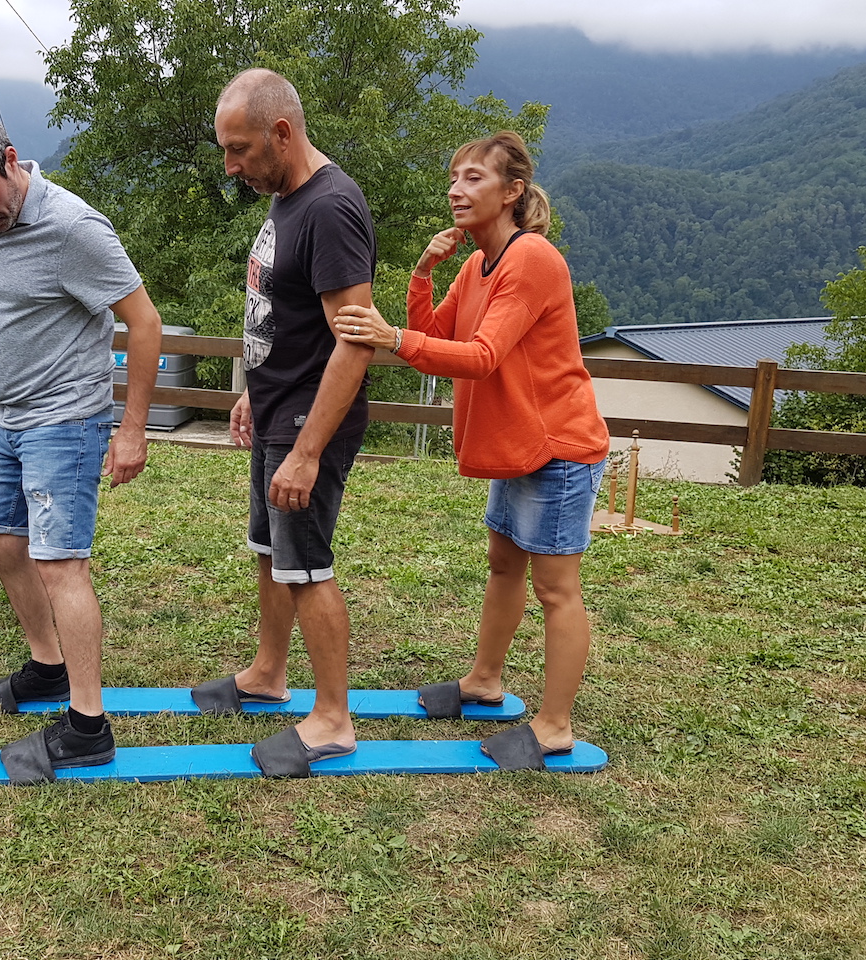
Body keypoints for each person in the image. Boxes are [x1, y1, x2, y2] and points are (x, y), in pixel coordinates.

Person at [334, 131, 610, 771]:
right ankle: (485, 682)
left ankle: (554, 727)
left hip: (557, 445)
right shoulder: (476, 263)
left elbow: (481, 358)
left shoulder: (532, 259)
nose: (457, 189)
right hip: (514, 444)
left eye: (474, 178)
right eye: (454, 177)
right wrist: (423, 272)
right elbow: (435, 336)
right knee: (503, 563)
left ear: (513, 192)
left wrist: (392, 335)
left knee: (556, 587)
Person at [0, 103, 162, 780]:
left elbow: (144, 323)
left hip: (67, 420)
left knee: (61, 565)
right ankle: (48, 670)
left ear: (9, 158)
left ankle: (87, 726)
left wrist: (132, 428)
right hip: (8, 415)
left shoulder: (72, 227)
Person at [191, 69, 377, 777]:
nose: (231, 167)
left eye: (239, 150)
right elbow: (281, 310)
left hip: (310, 419)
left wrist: (305, 449)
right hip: (278, 403)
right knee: (270, 550)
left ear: (281, 133)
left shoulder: (331, 207)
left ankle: (332, 720)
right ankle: (270, 674)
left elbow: (353, 341)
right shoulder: (288, 197)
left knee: (307, 566)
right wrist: (252, 388)